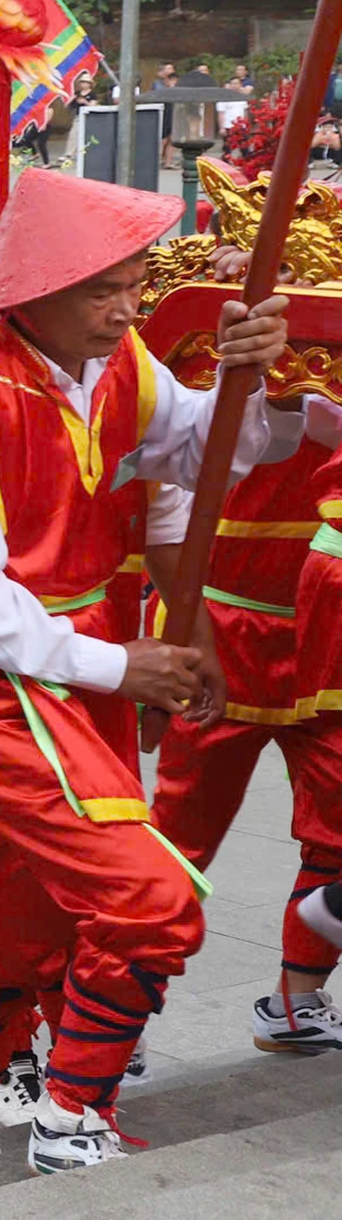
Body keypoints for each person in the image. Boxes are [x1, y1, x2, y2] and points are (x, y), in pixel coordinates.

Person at [0, 168, 298, 1175]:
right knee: (152, 898)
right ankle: (70, 1114)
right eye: (103, 289)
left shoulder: (113, 364)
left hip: (79, 675)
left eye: (132, 285)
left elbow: (206, 449)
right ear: (32, 290)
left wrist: (256, 378)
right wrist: (118, 665)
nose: (125, 306)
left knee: (18, 913)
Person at [153, 399, 342, 1051]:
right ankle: (106, 1008)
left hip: (329, 621)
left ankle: (298, 1002)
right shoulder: (232, 329)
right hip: (225, 624)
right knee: (179, 834)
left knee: (338, 824)